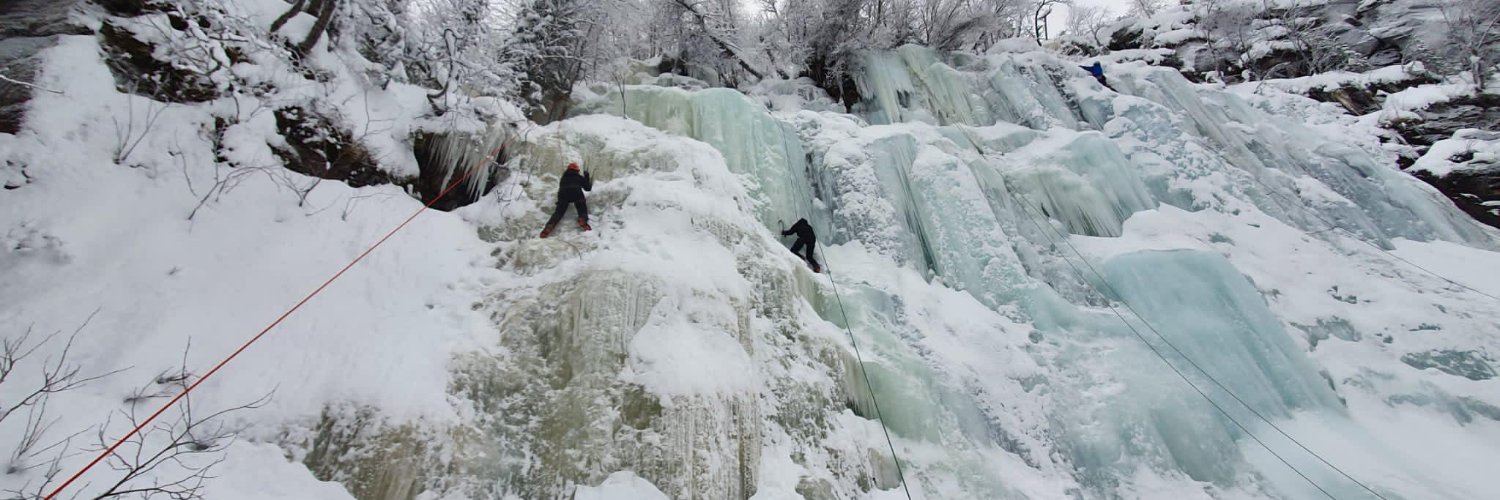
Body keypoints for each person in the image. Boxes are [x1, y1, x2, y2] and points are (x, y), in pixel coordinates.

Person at [539, 162, 592, 238]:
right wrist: (586, 176)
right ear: (577, 170)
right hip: (576, 192)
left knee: (558, 213)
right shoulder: (578, 176)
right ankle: (582, 219)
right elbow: (588, 188)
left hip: (563, 194)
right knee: (581, 207)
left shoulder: (563, 177)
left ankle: (550, 225)